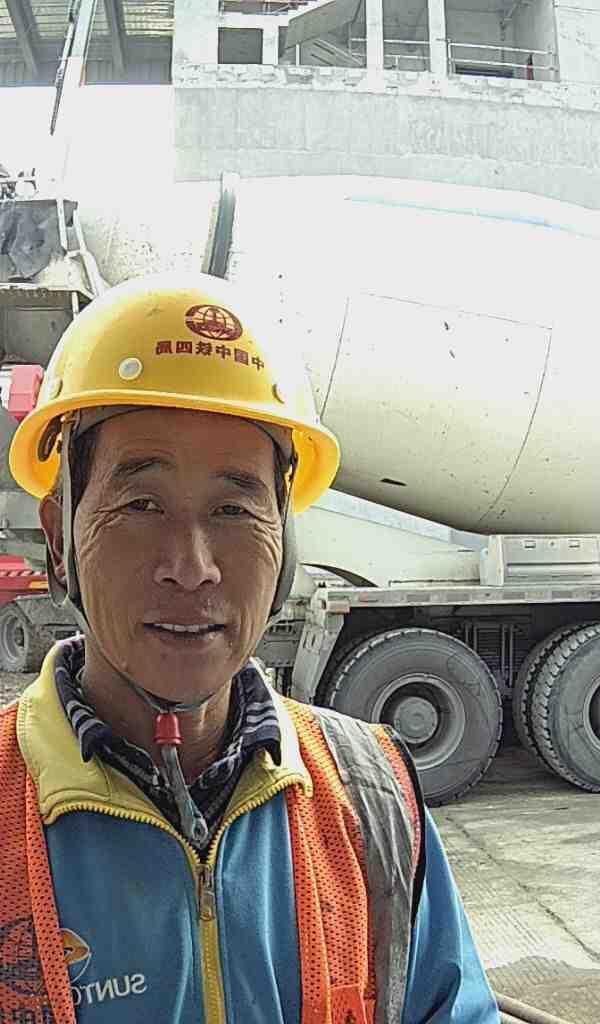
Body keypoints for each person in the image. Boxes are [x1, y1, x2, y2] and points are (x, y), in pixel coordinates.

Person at [0, 273, 499, 1023]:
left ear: (285, 544)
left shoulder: (373, 797)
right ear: (59, 538)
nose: (192, 566)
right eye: (141, 504)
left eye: (234, 509)